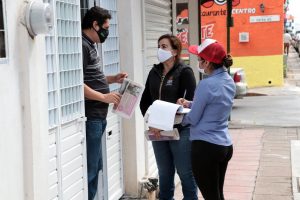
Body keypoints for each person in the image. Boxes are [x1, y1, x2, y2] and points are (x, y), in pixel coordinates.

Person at [140, 34, 198, 200]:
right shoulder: (154, 72)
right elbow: (145, 102)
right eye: (159, 46)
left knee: (185, 172)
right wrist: (152, 124)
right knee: (164, 173)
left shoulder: (185, 72)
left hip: (179, 130)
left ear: (175, 51)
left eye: (164, 46)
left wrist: (164, 123)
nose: (160, 49)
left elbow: (188, 105)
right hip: (157, 131)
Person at [177, 39, 236, 200]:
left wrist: (176, 119)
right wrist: (189, 103)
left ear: (208, 62)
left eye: (199, 59)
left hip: (205, 147)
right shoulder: (228, 81)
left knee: (211, 196)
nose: (198, 62)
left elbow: (193, 118)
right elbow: (213, 104)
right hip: (224, 145)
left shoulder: (206, 84)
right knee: (217, 195)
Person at [81, 6, 128, 200]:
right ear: (95, 24)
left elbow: (93, 78)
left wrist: (112, 79)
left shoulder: (91, 45)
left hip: (99, 117)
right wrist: (103, 97)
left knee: (97, 166)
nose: (107, 32)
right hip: (92, 115)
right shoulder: (82, 46)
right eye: (105, 27)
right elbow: (75, 84)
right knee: (91, 169)